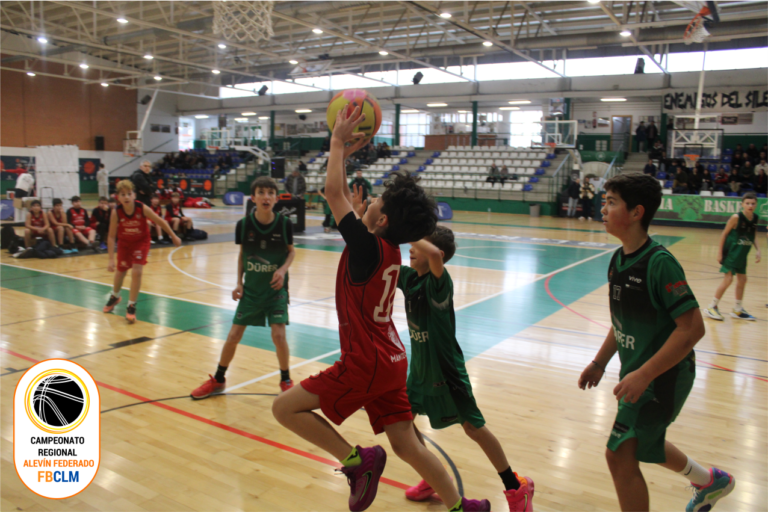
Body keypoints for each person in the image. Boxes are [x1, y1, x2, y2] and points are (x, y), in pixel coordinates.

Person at [271, 104, 491, 512]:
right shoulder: (389, 252)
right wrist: (361, 214)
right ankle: (463, 507)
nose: (369, 200)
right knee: (408, 444)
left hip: (366, 362)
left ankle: (356, 461)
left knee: (283, 408)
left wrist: (338, 141)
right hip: (392, 359)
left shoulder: (370, 247)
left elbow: (332, 193)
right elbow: (359, 229)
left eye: (376, 201)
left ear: (383, 217)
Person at [579, 172, 735, 512]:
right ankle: (710, 481)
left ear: (636, 212)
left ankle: (710, 481)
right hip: (639, 374)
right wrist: (599, 362)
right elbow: (621, 322)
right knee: (642, 443)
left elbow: (692, 330)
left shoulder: (659, 264)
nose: (602, 208)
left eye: (611, 202)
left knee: (619, 454)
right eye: (604, 201)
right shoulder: (618, 260)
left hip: (664, 377)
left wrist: (645, 374)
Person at [397, 226, 534, 511]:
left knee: (473, 427)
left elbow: (433, 253)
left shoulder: (439, 285)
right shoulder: (409, 279)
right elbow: (382, 260)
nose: (411, 248)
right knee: (404, 424)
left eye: (418, 244)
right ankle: (432, 477)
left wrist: (403, 226)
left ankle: (515, 486)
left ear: (437, 255)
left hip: (447, 374)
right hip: (419, 372)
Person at [191, 176, 296, 398]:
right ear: (253, 198)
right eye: (261, 192)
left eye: (270, 193)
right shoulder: (244, 225)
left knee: (278, 335)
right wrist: (239, 282)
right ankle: (218, 379)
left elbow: (291, 251)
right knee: (233, 335)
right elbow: (242, 255)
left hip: (276, 290)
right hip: (252, 291)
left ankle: (285, 379)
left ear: (276, 199)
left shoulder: (285, 224)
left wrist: (283, 269)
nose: (266, 197)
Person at [103, 180, 180, 323]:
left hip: (140, 242)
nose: (126, 197)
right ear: (118, 197)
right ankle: (115, 296)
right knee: (120, 271)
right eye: (123, 194)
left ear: (134, 195)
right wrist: (110, 259)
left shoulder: (142, 208)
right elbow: (111, 236)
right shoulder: (116, 212)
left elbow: (160, 221)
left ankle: (131, 305)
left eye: (129, 194)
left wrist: (173, 236)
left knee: (137, 271)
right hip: (125, 243)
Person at [703, 192, 763, 321]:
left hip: (742, 254)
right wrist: (719, 253)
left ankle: (737, 309)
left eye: (753, 203)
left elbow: (754, 235)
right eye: (747, 203)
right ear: (742, 204)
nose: (750, 206)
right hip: (731, 253)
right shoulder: (736, 217)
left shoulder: (755, 218)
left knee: (742, 280)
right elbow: (724, 234)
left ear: (756, 204)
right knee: (728, 279)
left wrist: (758, 250)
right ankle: (711, 307)